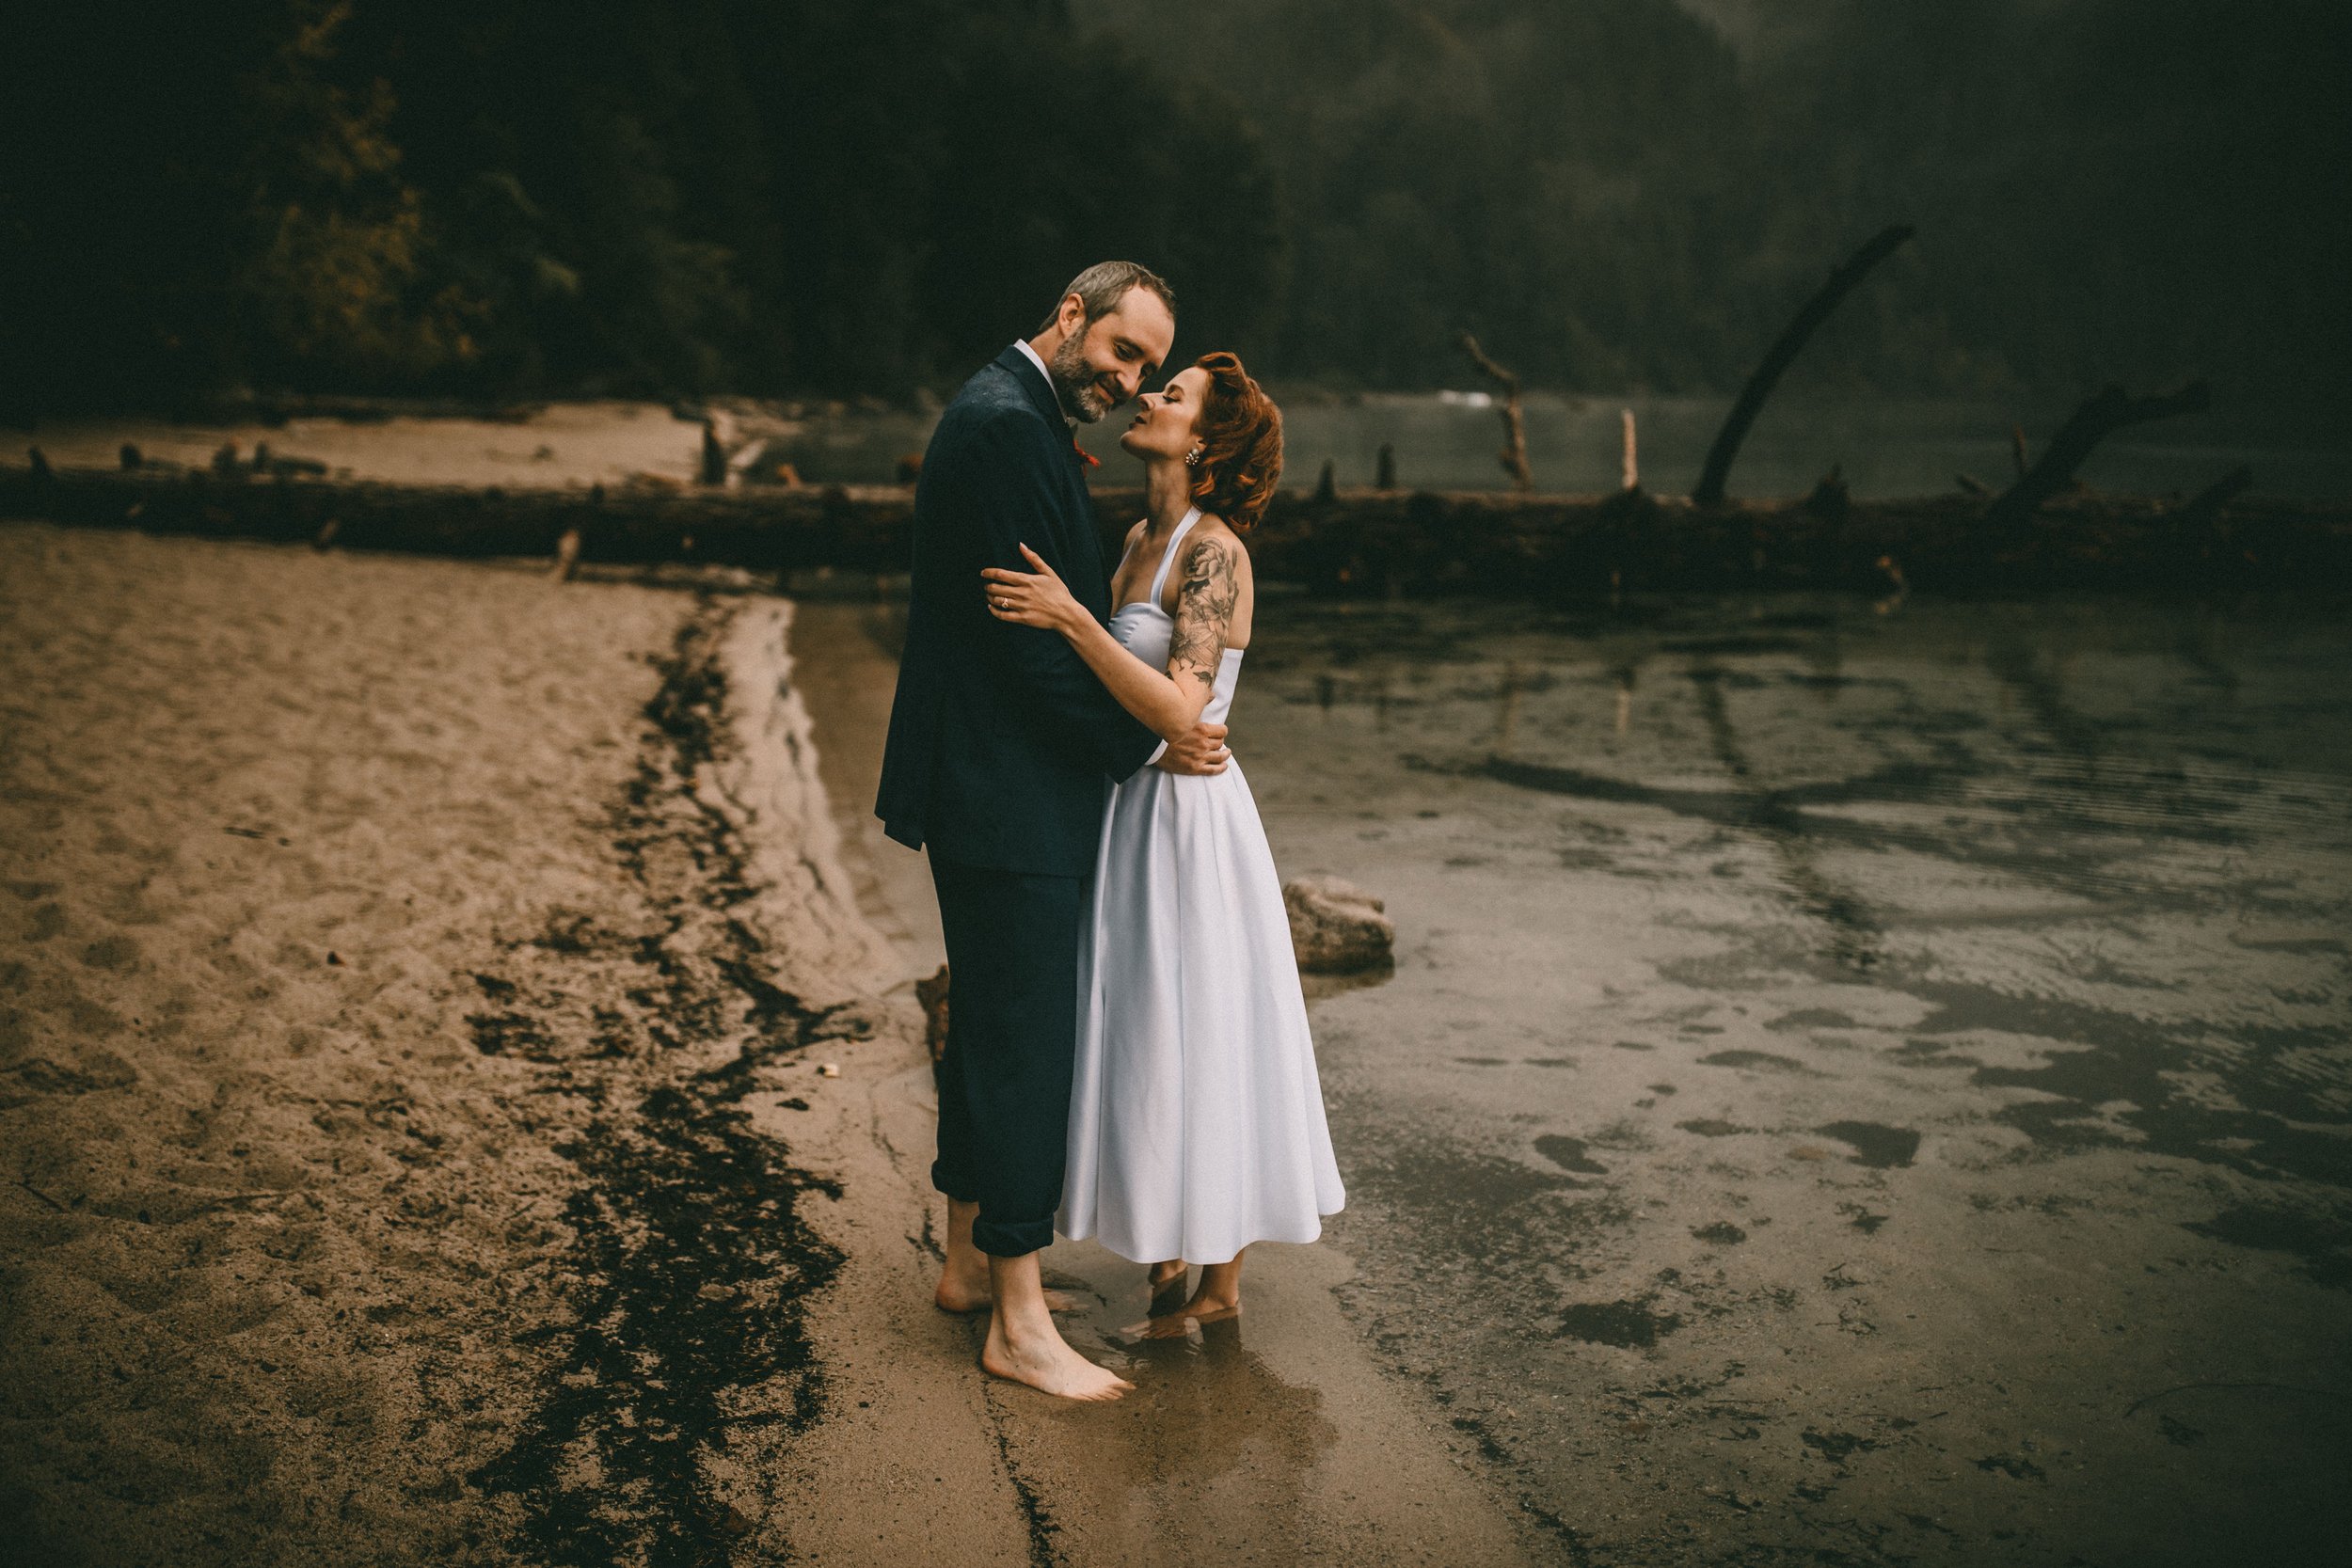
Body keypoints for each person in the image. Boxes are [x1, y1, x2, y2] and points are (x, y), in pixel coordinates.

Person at [875, 261, 1232, 1402]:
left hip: (983, 775)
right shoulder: (1008, 427)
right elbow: (1031, 646)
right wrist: (1152, 742)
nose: (1129, 383)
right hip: (1006, 785)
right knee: (1027, 1040)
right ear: (1070, 315)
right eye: (1122, 352)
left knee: (991, 1022)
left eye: (1147, 370)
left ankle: (970, 1263)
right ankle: (1019, 1324)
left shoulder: (1005, 409)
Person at [981, 350, 1345, 1337]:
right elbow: (1125, 697)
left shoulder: (1215, 551)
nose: (1149, 396)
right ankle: (1179, 1248)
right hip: (1133, 805)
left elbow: (1182, 707)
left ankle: (1218, 1285)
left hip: (1192, 821)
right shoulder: (1141, 534)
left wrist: (1068, 615)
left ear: (1206, 441)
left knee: (1206, 1022)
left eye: (1171, 394)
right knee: (1149, 1023)